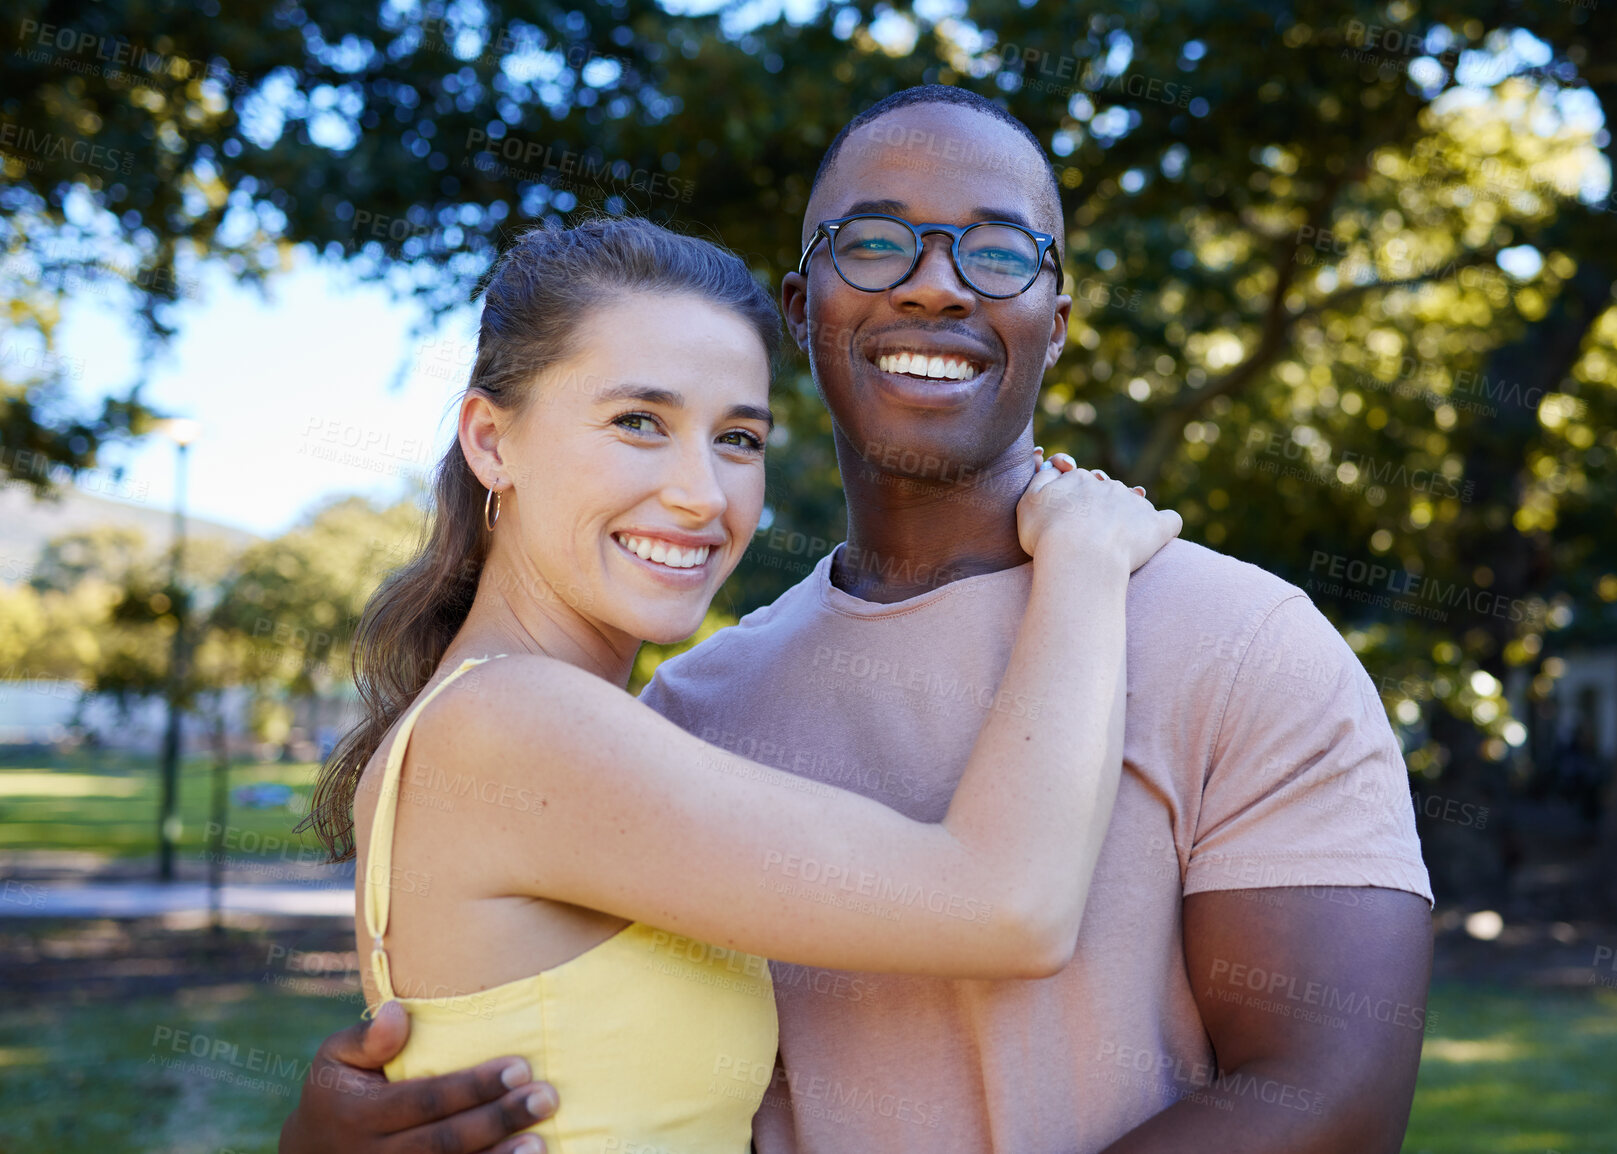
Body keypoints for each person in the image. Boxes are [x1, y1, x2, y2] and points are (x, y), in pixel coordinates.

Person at [283, 87, 1435, 1154]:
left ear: (1057, 313)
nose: (937, 284)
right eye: (877, 241)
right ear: (806, 307)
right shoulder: (675, 710)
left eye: (734, 437)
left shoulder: (1243, 636)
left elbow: (1326, 1098)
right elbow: (999, 906)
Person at [300, 214, 1179, 1152]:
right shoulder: (512, 722)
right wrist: (1082, 557)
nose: (703, 494)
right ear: (491, 440)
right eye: (639, 422)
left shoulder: (498, 716)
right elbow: (1010, 908)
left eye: (739, 439)